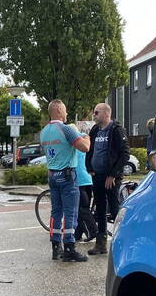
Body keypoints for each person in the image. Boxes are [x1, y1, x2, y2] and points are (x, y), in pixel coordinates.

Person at [40, 99, 90, 262]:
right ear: (60, 111)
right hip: (67, 176)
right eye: (66, 111)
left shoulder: (44, 132)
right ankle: (69, 247)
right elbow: (84, 147)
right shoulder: (66, 129)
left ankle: (56, 246)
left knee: (56, 211)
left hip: (52, 175)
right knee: (70, 212)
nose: (67, 114)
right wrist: (86, 136)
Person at [85, 103, 129, 255]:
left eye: (96, 112)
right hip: (97, 175)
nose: (94, 115)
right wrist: (89, 168)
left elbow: (124, 155)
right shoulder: (95, 130)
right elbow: (89, 150)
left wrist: (113, 175)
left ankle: (121, 243)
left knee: (115, 209)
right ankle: (101, 244)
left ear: (105, 113)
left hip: (111, 177)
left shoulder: (116, 130)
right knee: (100, 210)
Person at [74, 143, 98, 243]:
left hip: (79, 181)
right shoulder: (84, 142)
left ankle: (93, 231)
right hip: (88, 179)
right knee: (83, 208)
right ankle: (77, 234)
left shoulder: (73, 144)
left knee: (82, 209)